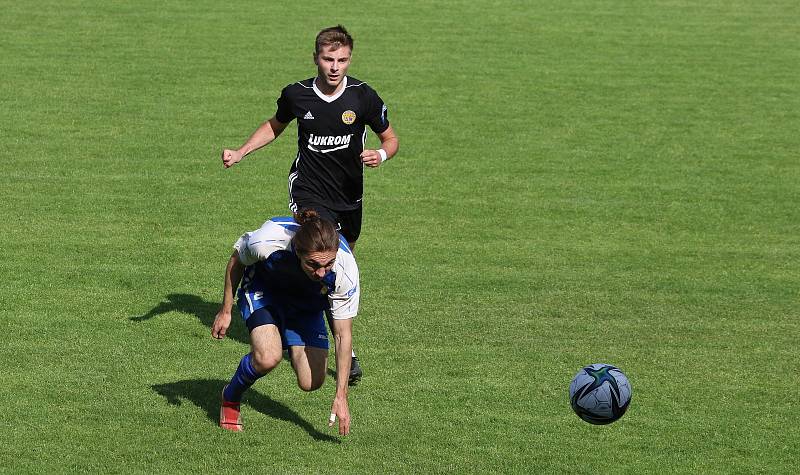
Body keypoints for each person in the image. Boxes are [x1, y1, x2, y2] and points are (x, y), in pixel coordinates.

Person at [220, 25, 398, 384]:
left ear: (350, 59)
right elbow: (275, 125)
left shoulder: (363, 97)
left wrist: (380, 154)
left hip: (349, 198)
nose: (335, 67)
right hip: (308, 192)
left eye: (342, 60)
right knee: (318, 247)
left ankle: (312, 325)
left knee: (336, 264)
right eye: (328, 59)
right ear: (316, 57)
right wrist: (241, 152)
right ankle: (318, 331)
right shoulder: (298, 95)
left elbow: (391, 139)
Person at [211, 210, 359, 435]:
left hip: (306, 305)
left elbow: (342, 335)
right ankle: (230, 397)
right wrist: (225, 310)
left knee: (311, 382)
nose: (321, 272)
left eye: (328, 264)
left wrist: (341, 396)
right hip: (264, 291)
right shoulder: (267, 241)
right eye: (313, 264)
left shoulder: (344, 269)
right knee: (268, 357)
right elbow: (237, 260)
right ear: (298, 251)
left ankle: (286, 336)